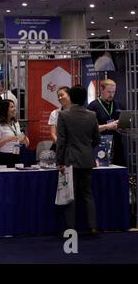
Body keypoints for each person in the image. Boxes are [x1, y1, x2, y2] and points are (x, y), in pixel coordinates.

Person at [56, 85, 101, 235]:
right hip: (87, 159)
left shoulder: (64, 115)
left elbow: (61, 141)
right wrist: (88, 149)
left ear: (71, 97)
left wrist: (59, 161)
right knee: (88, 194)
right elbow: (97, 139)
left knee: (70, 194)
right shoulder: (92, 115)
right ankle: (93, 226)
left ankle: (70, 228)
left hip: (69, 160)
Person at [87, 79, 125, 166]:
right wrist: (108, 126)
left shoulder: (119, 105)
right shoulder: (92, 106)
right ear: (101, 89)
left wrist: (122, 125)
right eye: (108, 92)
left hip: (117, 146)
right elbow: (90, 130)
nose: (111, 95)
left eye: (113, 92)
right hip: (100, 145)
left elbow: (125, 127)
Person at [0, 99, 29, 167]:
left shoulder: (15, 123)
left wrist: (24, 139)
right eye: (11, 107)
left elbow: (20, 139)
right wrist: (8, 139)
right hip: (4, 157)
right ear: (4, 109)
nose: (14, 109)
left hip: (17, 155)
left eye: (14, 106)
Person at [48, 86, 71, 151]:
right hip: (58, 147)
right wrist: (60, 145)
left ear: (70, 95)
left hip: (73, 148)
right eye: (58, 96)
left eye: (61, 95)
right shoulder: (54, 113)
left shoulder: (77, 112)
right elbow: (53, 133)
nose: (59, 98)